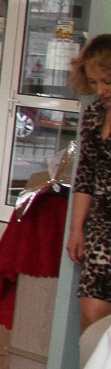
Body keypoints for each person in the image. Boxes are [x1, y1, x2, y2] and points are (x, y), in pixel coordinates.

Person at [67, 34, 111, 331]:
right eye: (94, 82)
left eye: (107, 82)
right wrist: (76, 229)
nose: (101, 90)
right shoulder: (94, 114)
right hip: (101, 230)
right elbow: (85, 176)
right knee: (92, 322)